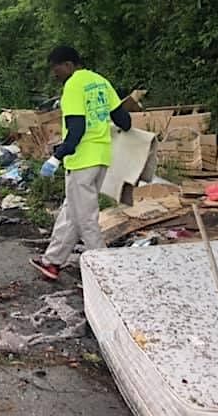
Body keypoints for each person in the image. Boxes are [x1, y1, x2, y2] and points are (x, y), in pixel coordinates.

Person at [30, 46, 131, 282]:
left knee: (86, 218)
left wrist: (57, 157)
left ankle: (104, 274)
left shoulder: (73, 85)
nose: (55, 74)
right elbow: (124, 121)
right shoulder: (101, 82)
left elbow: (76, 130)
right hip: (101, 158)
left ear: (67, 65)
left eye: (56, 69)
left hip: (82, 160)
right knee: (71, 212)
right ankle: (52, 262)